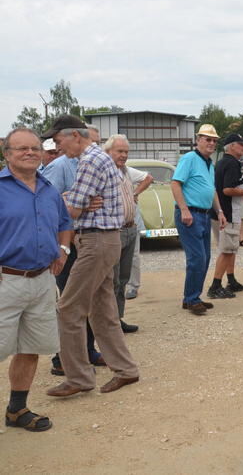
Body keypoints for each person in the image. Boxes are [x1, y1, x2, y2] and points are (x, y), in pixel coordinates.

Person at [44, 115, 140, 397]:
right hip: (103, 241)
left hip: (96, 242)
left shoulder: (89, 161)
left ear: (74, 135)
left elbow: (71, 211)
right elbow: (77, 204)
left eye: (58, 140)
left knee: (68, 308)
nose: (57, 147)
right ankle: (125, 370)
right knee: (103, 311)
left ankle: (78, 377)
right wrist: (73, 200)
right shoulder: (99, 158)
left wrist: (66, 200)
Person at [1, 127, 72, 431]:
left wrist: (63, 249)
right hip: (6, 281)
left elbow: (65, 222)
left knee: (30, 347)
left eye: (35, 148)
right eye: (22, 148)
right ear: (7, 154)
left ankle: (17, 410)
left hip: (42, 281)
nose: (30, 152)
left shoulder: (48, 189)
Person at [42, 125, 105, 375]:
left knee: (85, 300)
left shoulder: (86, 163)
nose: (93, 146)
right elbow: (44, 203)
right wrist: (78, 203)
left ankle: (87, 351)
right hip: (66, 243)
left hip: (83, 241)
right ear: (77, 138)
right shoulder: (59, 167)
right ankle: (61, 359)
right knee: (70, 301)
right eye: (91, 141)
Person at [170, 124, 227, 315]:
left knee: (204, 257)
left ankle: (192, 297)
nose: (211, 143)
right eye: (207, 139)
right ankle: (192, 298)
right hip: (190, 214)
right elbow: (175, 184)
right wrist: (184, 209)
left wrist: (219, 212)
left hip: (203, 214)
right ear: (198, 140)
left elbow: (212, 190)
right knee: (197, 258)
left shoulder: (209, 163)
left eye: (214, 140)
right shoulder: (189, 158)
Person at [105, 135, 153, 333]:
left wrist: (134, 194)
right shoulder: (104, 171)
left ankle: (118, 319)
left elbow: (148, 178)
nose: (124, 155)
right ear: (108, 152)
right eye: (120, 151)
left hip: (130, 228)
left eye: (126, 152)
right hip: (113, 232)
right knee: (112, 279)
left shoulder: (125, 170)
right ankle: (109, 323)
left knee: (123, 278)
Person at [208, 133, 243, 298]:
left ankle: (231, 280)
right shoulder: (232, 163)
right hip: (228, 213)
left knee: (230, 248)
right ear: (231, 146)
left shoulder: (222, 162)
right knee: (227, 250)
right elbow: (228, 190)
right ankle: (215, 286)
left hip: (219, 212)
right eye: (240, 144)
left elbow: (234, 190)